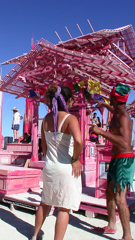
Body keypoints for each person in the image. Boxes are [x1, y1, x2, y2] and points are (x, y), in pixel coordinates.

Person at [31, 85, 83, 240]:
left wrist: (50, 158)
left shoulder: (46, 119)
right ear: (67, 100)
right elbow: (79, 141)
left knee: (45, 203)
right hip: (65, 167)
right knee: (63, 208)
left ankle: (34, 235)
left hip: (49, 166)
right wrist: (75, 159)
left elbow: (44, 147)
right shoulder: (70, 119)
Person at [89, 83, 135, 240]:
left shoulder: (123, 117)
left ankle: (127, 236)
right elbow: (114, 109)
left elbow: (124, 142)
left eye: (110, 96)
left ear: (114, 97)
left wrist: (100, 132)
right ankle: (111, 225)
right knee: (109, 191)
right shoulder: (118, 111)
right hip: (116, 159)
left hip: (124, 160)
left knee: (119, 198)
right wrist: (104, 105)